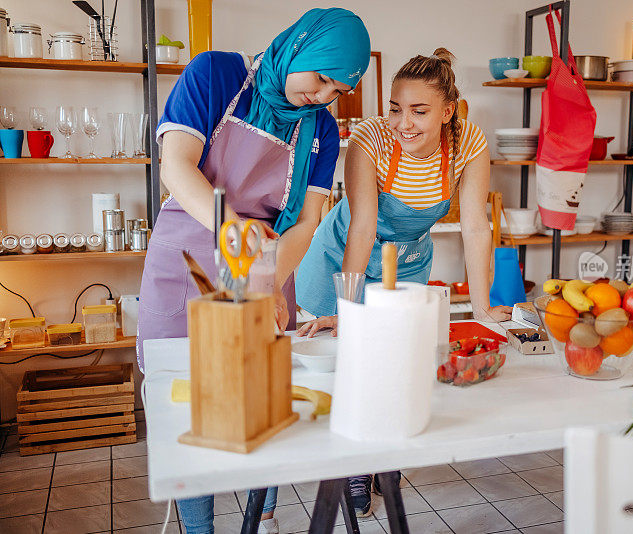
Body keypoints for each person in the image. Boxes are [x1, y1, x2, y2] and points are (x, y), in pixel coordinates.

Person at [136, 8, 370, 533]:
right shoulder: (215, 74)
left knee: (254, 396)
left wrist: (264, 278)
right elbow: (176, 166)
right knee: (192, 403)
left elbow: (307, 222)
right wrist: (230, 229)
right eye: (321, 77)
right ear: (300, 48)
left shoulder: (322, 131)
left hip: (265, 260)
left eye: (337, 88)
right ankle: (200, 528)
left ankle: (260, 521)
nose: (324, 94)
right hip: (188, 256)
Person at [295, 48, 512, 516]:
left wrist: (481, 309)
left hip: (406, 262)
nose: (403, 122)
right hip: (341, 257)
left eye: (418, 111)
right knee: (346, 363)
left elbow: (476, 227)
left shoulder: (468, 143)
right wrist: (349, 311)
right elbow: (362, 229)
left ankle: (383, 460)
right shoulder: (370, 139)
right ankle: (353, 468)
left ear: (447, 111)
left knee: (394, 365)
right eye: (395, 108)